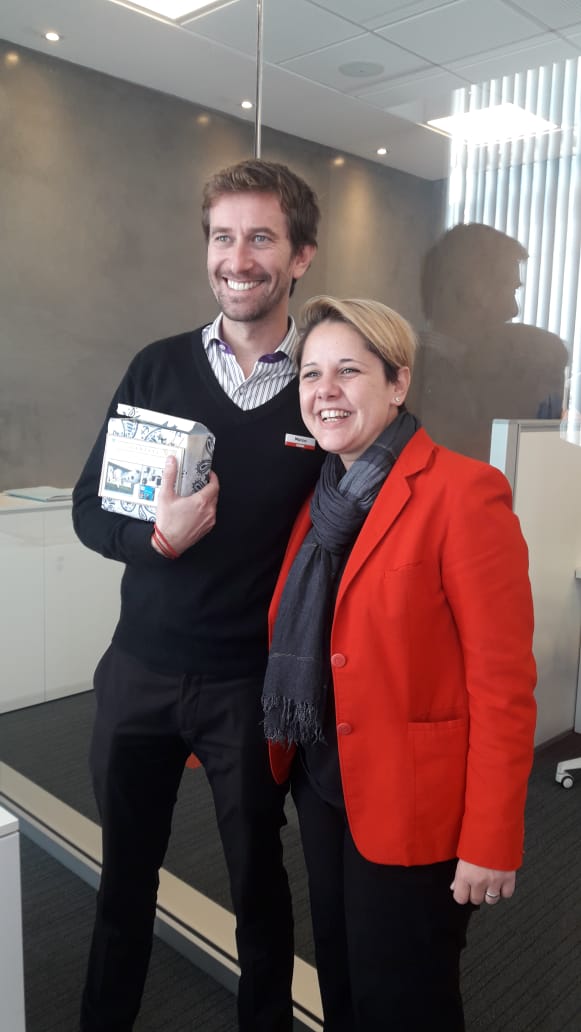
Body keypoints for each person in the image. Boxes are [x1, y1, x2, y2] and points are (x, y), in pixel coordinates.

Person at [72, 158, 324, 1032]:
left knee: (257, 887)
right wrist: (156, 540)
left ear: (300, 256)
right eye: (222, 237)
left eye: (261, 237)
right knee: (123, 878)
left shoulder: (320, 387)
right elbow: (88, 510)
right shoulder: (157, 368)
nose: (237, 258)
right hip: (137, 674)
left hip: (247, 688)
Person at [262, 296, 537, 1031]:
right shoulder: (319, 498)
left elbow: (504, 687)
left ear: (397, 382)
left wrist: (490, 838)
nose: (325, 390)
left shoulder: (462, 493)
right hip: (323, 786)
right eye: (311, 374)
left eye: (348, 371)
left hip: (413, 803)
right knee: (343, 982)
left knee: (406, 1000)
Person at [409, 223, 567, 460]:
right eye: (509, 290)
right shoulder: (426, 375)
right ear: (474, 291)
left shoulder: (477, 371)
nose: (514, 309)